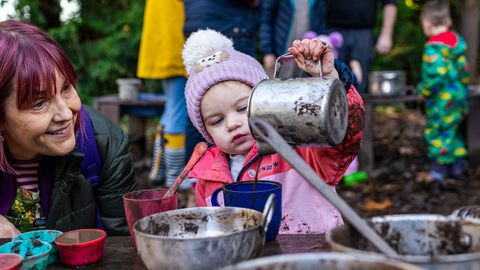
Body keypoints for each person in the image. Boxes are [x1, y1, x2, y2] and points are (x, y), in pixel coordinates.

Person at [182, 29, 364, 234]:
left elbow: (344, 136)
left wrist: (330, 78)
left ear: (266, 101)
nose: (232, 124)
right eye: (217, 121)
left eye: (242, 109)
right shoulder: (207, 177)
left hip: (312, 253)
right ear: (205, 131)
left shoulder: (299, 147)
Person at [0, 20, 137, 237]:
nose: (66, 114)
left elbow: (125, 245)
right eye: (39, 103)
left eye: (66, 88)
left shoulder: (106, 142)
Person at [137, 0, 192, 198]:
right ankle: (175, 176)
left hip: (163, 45)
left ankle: (159, 170)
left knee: (172, 106)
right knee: (178, 107)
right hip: (176, 43)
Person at [418, 1, 469, 181]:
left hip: (442, 100)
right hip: (460, 96)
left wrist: (423, 92)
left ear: (428, 25)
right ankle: (458, 167)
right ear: (448, 22)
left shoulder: (434, 48)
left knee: (438, 131)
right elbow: (464, 70)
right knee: (453, 129)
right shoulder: (457, 44)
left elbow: (435, 76)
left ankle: (439, 170)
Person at [325, 0, 398, 94]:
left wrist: (386, 34)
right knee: (331, 82)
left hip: (364, 32)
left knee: (359, 84)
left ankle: (357, 107)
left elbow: (390, 2)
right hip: (333, 31)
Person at [260, 0, 327, 78]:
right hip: (280, 52)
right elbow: (266, 21)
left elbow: (321, 24)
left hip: (308, 55)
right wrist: (268, 52)